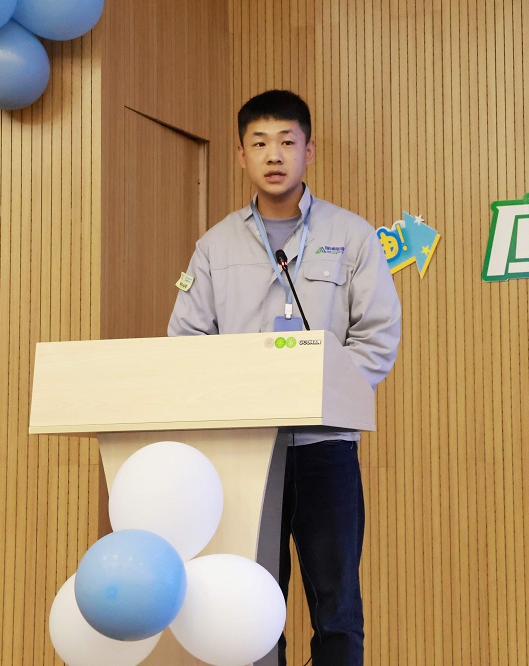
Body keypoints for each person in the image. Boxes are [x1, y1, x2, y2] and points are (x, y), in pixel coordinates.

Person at [168, 89, 401, 665]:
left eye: (287, 142)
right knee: (252, 605)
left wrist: (322, 392)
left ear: (308, 151)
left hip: (326, 448)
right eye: (260, 143)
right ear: (241, 155)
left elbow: (377, 336)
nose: (274, 155)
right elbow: (186, 340)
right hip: (247, 453)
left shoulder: (352, 236)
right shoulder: (215, 245)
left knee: (337, 609)